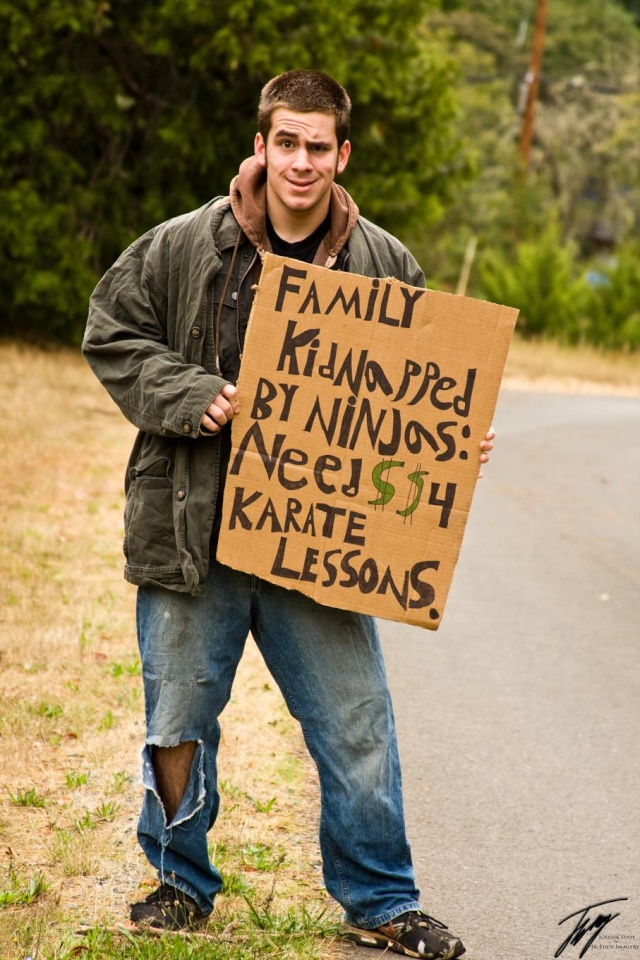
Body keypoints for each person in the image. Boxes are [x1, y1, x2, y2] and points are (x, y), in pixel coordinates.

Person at [84, 69, 494, 960]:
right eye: (287, 142)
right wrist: (189, 392)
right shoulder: (183, 243)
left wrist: (446, 448)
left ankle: (382, 900)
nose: (301, 161)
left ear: (341, 154)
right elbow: (110, 330)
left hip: (318, 547)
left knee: (358, 727)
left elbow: (417, 400)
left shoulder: (386, 264)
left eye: (319, 146)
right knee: (177, 723)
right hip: (193, 536)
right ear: (261, 144)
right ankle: (179, 883)